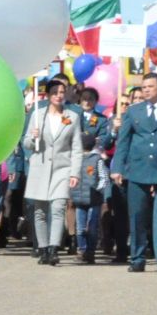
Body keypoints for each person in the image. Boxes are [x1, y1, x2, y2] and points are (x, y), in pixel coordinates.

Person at [111, 72, 157, 275]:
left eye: (151, 86)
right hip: (138, 169)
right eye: (144, 87)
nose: (147, 90)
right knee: (137, 215)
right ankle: (138, 258)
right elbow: (123, 141)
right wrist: (117, 167)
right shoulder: (134, 111)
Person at [20, 79, 84, 266]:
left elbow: (76, 148)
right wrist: (34, 137)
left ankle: (54, 248)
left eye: (62, 91)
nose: (59, 95)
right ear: (48, 95)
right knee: (40, 211)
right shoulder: (38, 115)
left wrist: (75, 173)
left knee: (58, 209)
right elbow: (26, 144)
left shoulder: (72, 117)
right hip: (40, 168)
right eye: (55, 92)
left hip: (61, 169)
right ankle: (43, 248)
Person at [69, 88, 113, 264]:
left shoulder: (101, 120)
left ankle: (91, 248)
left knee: (93, 216)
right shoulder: (73, 116)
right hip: (75, 159)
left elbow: (103, 140)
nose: (87, 102)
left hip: (93, 159)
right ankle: (77, 244)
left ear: (96, 101)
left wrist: (94, 143)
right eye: (84, 99)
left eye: (91, 99)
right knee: (76, 208)